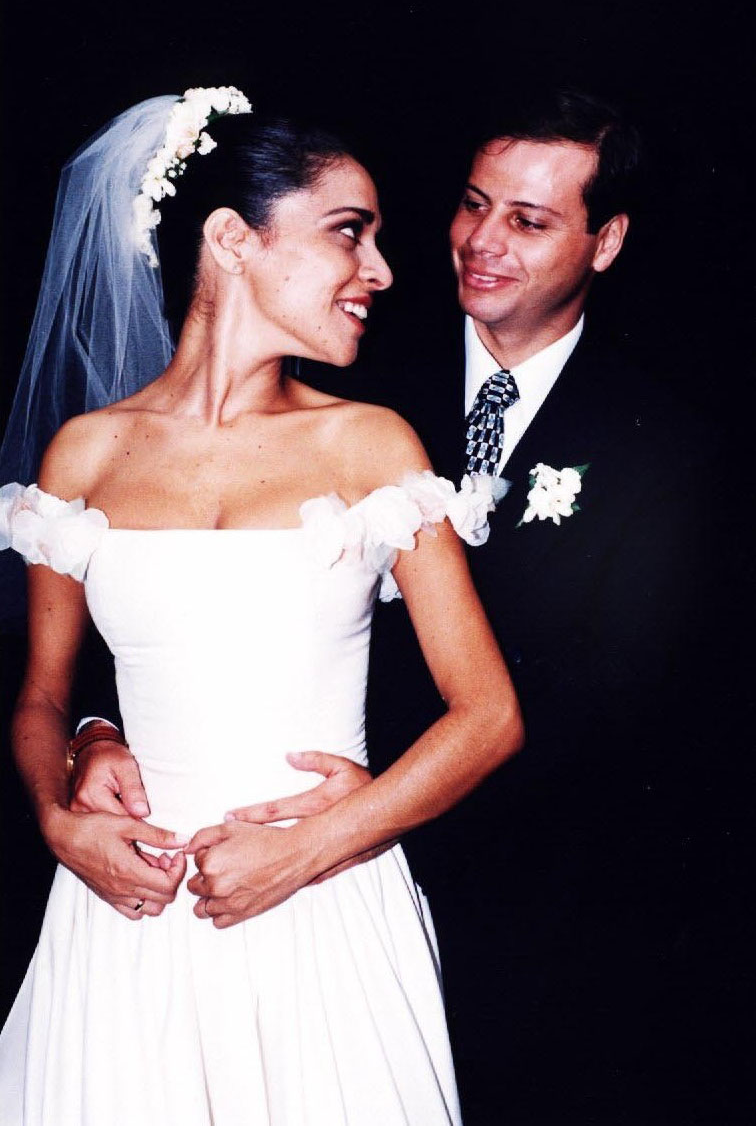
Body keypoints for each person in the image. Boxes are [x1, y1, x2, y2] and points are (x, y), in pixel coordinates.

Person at [63, 87, 714, 1122]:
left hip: (517, 922)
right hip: (232, 875)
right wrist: (95, 730)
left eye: (529, 220)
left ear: (606, 241)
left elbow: (610, 718)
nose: (482, 242)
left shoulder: (666, 444)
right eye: (473, 204)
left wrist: (356, 828)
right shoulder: (348, 364)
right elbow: (168, 590)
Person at [0, 88, 524, 1125]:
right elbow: (42, 698)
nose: (380, 269)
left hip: (322, 908)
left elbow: (489, 715)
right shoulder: (85, 455)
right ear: (234, 240)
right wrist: (60, 818)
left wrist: (309, 849)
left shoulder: (370, 444)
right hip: (128, 915)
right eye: (348, 231)